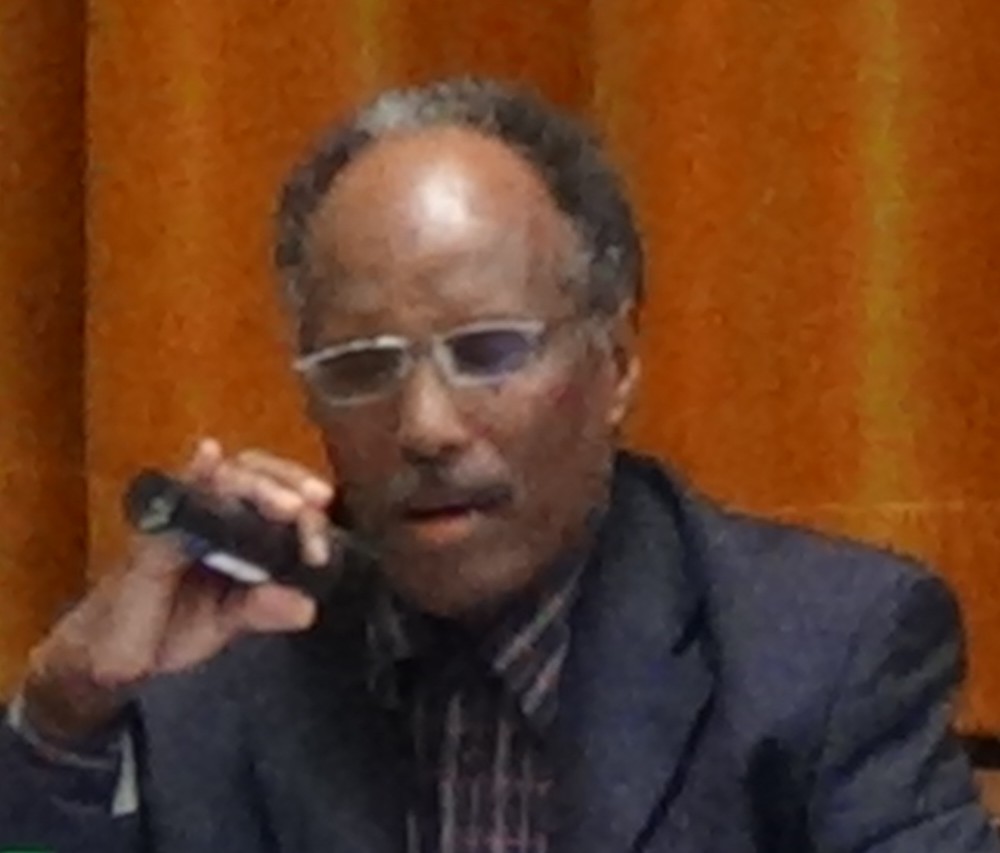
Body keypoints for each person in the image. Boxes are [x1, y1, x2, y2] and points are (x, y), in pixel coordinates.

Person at [0, 76, 995, 853]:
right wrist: (62, 711)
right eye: (363, 367)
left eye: (488, 352)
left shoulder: (821, 657)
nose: (425, 425)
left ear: (615, 364)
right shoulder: (220, 659)